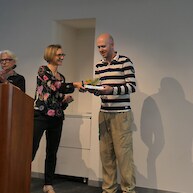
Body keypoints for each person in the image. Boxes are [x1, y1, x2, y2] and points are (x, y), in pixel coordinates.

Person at [32, 44, 85, 193]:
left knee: (52, 152)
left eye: (63, 55)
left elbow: (58, 100)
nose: (62, 57)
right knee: (31, 149)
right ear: (50, 55)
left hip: (56, 119)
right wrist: (74, 85)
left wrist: (65, 101)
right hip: (40, 116)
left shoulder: (61, 78)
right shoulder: (43, 70)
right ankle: (18, 177)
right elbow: (54, 87)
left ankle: (48, 184)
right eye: (59, 55)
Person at [89, 33, 136, 193]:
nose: (101, 49)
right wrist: (90, 89)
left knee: (124, 156)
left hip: (121, 114)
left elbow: (132, 86)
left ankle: (128, 190)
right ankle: (108, 190)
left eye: (104, 46)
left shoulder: (125, 61)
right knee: (106, 155)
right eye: (99, 47)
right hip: (104, 114)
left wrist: (113, 89)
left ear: (112, 45)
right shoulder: (99, 66)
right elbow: (99, 90)